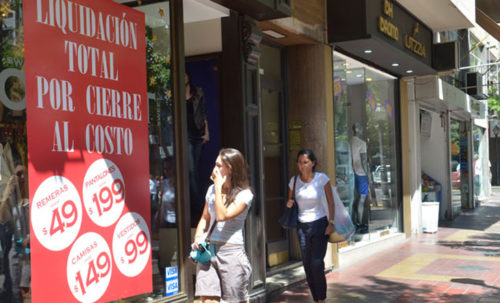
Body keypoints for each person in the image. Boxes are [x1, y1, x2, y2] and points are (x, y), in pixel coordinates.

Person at [192, 148, 253, 303]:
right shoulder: (211, 190)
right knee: (208, 300)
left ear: (230, 169)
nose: (214, 169)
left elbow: (222, 216)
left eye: (219, 166)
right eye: (215, 164)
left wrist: (219, 187)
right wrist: (198, 237)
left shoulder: (245, 195)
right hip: (207, 252)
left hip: (231, 253)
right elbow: (205, 218)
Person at [285, 149, 334, 303]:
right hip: (302, 226)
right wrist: (288, 204)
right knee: (307, 264)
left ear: (313, 163)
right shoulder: (294, 181)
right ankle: (316, 298)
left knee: (317, 263)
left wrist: (331, 222)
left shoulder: (322, 179)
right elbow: (290, 202)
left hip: (320, 224)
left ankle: (321, 299)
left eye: (305, 162)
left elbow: (331, 202)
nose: (302, 165)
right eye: (299, 162)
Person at [186, 72, 210, 226]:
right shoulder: (175, 94)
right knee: (191, 170)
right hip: (185, 136)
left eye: (185, 75)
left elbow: (204, 114)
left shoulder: (198, 93)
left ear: (189, 77)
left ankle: (198, 206)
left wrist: (207, 133)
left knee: (196, 171)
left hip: (198, 135)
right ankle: (200, 206)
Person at [350, 123, 371, 232]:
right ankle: (360, 222)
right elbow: (363, 160)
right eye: (361, 128)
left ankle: (354, 221)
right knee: (362, 198)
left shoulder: (350, 142)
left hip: (352, 172)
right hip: (362, 173)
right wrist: (369, 176)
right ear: (357, 129)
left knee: (355, 198)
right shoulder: (362, 143)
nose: (362, 129)